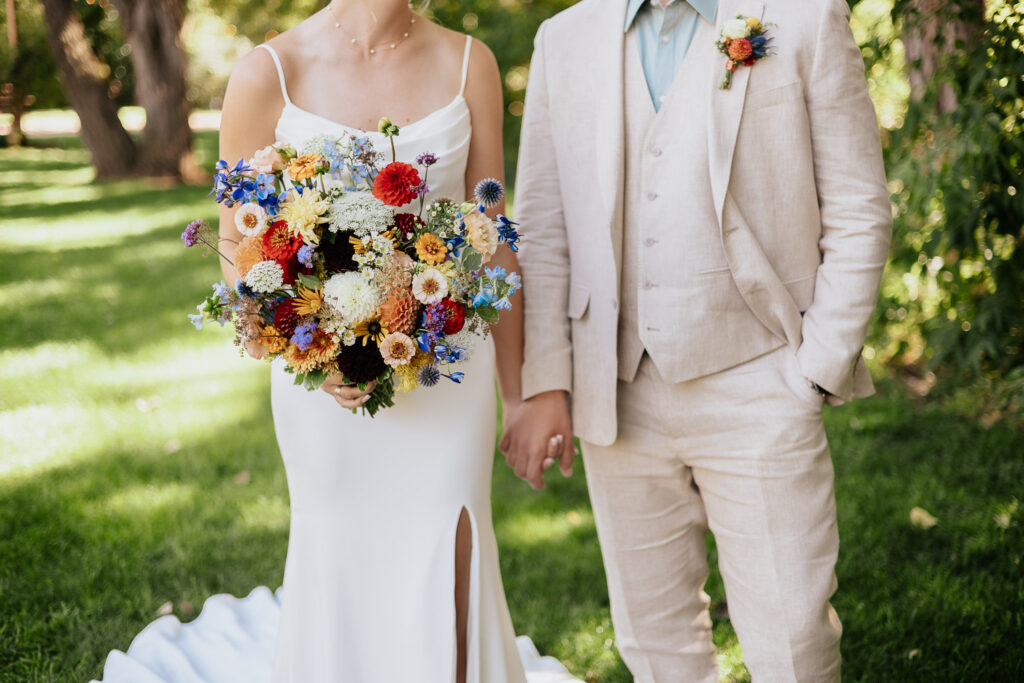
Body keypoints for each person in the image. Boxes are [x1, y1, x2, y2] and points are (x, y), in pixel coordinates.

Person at [503, 0, 891, 680]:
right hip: (616, 392)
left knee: (793, 639)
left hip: (761, 378)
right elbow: (542, 226)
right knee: (654, 644)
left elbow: (859, 206)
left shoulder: (800, 17)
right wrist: (548, 380)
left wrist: (819, 366)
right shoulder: (563, 38)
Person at [217, 2, 527, 681]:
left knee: (451, 541)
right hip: (323, 383)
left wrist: (521, 394)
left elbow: (493, 242)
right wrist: (309, 348)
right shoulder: (269, 71)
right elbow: (237, 244)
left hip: (449, 370)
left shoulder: (470, 63)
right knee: (341, 554)